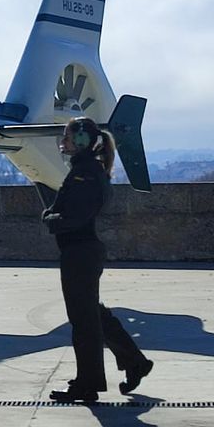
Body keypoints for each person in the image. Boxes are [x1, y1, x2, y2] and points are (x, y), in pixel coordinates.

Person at [42, 116, 154, 404]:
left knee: (84, 322)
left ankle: (88, 383)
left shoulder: (86, 173)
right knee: (93, 314)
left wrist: (51, 219)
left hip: (80, 251)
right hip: (81, 251)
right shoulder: (87, 170)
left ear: (80, 141)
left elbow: (74, 216)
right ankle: (134, 361)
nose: (63, 142)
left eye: (67, 137)